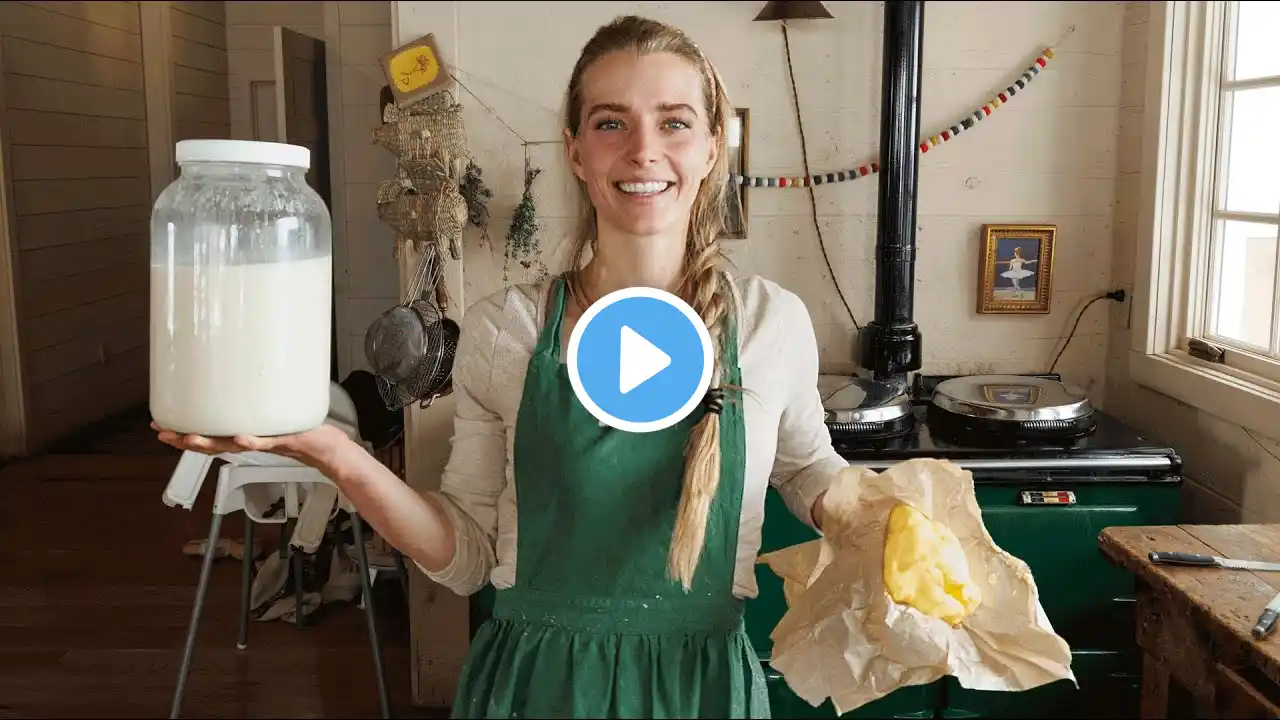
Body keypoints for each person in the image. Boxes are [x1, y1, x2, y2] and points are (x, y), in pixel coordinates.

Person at [156, 15, 849, 719]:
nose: (643, 150)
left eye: (673, 123)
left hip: (701, 691)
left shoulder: (769, 323)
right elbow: (466, 555)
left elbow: (804, 467)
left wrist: (880, 516)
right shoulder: (507, 331)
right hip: (537, 688)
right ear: (576, 151)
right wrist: (335, 455)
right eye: (612, 123)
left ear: (710, 148)